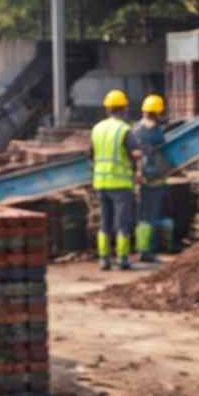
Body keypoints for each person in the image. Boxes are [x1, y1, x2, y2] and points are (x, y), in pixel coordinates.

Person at [91, 90, 140, 270]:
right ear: (124, 109)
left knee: (105, 221)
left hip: (101, 182)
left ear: (107, 109)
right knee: (122, 222)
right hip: (120, 183)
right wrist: (142, 154)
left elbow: (90, 154)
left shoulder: (97, 128)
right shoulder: (124, 130)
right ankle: (122, 258)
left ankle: (104, 259)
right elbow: (134, 153)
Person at [130, 94, 169, 263]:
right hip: (154, 180)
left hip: (138, 180)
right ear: (157, 112)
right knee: (151, 217)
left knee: (141, 217)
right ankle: (147, 251)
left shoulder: (134, 129)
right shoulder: (156, 132)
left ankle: (141, 248)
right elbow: (163, 155)